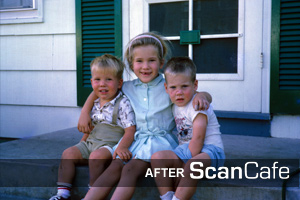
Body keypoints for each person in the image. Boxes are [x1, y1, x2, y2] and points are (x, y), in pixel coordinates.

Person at [78, 32, 212, 200]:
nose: (145, 66)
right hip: (136, 141)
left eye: (151, 60)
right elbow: (100, 91)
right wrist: (84, 112)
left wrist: (202, 96)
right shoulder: (127, 87)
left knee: (129, 170)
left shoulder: (169, 84)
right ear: (131, 64)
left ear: (161, 63)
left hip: (161, 143)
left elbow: (196, 93)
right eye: (139, 61)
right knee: (115, 167)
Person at [49, 54, 136, 200]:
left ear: (119, 82)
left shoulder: (123, 103)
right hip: (91, 142)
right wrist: (82, 143)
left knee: (96, 157)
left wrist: (123, 147)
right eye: (97, 80)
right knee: (68, 153)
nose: (102, 84)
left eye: (108, 79)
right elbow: (91, 128)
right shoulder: (95, 102)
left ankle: (94, 193)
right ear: (91, 82)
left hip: (110, 145)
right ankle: (63, 193)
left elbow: (130, 129)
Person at [151, 57, 225, 200]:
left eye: (184, 86)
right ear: (166, 88)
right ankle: (166, 197)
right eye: (173, 87)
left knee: (192, 165)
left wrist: (183, 166)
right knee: (157, 158)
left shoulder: (198, 104)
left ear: (195, 85)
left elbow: (198, 139)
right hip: (186, 150)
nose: (179, 92)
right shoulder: (174, 105)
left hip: (210, 152)